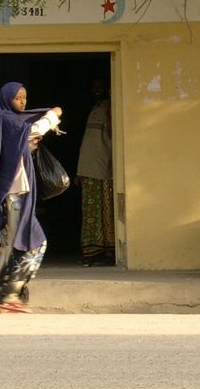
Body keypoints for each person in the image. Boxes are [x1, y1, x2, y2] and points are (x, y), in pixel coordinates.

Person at [0, 82, 63, 314]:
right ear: (7, 100)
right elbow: (34, 129)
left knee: (9, 245)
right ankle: (7, 295)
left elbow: (23, 144)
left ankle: (5, 298)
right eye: (18, 98)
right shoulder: (8, 121)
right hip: (13, 195)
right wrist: (53, 115)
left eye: (25, 97)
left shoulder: (13, 123)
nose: (23, 102)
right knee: (32, 242)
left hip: (19, 194)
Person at [76, 77, 114, 266]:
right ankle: (92, 250)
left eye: (100, 86)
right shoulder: (95, 108)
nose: (97, 90)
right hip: (89, 169)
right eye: (94, 86)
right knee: (91, 212)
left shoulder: (109, 109)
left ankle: (105, 250)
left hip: (103, 169)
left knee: (104, 212)